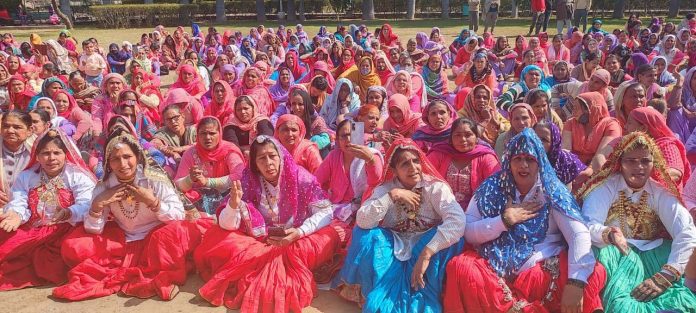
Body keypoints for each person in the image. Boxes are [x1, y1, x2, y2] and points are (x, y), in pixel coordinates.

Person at [443, 128, 606, 313]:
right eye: (518, 159)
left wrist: (575, 282)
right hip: (492, 265)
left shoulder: (551, 189)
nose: (523, 165)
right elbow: (469, 231)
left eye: (530, 159)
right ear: (508, 161)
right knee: (460, 267)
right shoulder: (491, 188)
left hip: (539, 265)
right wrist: (503, 220)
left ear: (540, 163)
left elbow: (578, 232)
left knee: (590, 272)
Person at [193, 136, 349, 312]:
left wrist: (299, 232)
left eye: (272, 156)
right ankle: (275, 264)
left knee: (330, 235)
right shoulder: (247, 180)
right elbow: (227, 225)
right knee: (219, 234)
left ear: (281, 156)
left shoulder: (301, 177)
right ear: (255, 163)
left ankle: (272, 264)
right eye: (261, 158)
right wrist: (233, 204)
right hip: (259, 241)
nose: (268, 163)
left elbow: (326, 212)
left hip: (296, 240)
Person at [52, 130, 211, 301]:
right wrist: (98, 204)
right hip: (123, 240)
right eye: (115, 159)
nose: (123, 164)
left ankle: (158, 268)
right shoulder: (104, 186)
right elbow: (94, 230)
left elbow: (178, 215)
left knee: (177, 233)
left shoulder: (154, 179)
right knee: (74, 245)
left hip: (157, 237)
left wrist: (152, 202)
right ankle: (152, 265)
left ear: (138, 156)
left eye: (127, 156)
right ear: (108, 163)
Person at [334, 138, 466, 312]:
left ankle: (428, 287)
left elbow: (458, 221)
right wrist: (392, 196)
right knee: (364, 234)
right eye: (405, 164)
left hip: (426, 245)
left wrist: (426, 253)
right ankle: (377, 286)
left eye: (416, 161)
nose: (413, 168)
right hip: (395, 244)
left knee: (455, 239)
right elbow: (363, 220)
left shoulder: (434, 188)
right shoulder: (386, 189)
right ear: (394, 170)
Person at [578, 132, 696, 312]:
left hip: (656, 253)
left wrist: (666, 275)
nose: (638, 167)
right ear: (620, 162)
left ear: (653, 163)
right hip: (616, 253)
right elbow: (588, 222)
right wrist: (608, 234)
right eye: (631, 161)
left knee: (679, 300)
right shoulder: (607, 186)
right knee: (618, 298)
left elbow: (686, 231)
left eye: (645, 161)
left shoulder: (659, 191)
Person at [0, 129, 96, 291]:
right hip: (34, 228)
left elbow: (87, 203)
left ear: (65, 154)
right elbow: (19, 201)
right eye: (45, 153)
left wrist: (69, 212)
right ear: (37, 156)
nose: (51, 158)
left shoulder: (77, 175)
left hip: (68, 229)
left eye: (57, 153)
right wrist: (16, 214)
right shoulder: (27, 176)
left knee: (75, 250)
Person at [314, 119, 383, 220]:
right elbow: (316, 180)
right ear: (337, 140)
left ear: (360, 136)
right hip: (334, 209)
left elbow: (376, 182)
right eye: (344, 136)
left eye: (352, 134)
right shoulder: (334, 156)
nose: (349, 139)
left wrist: (370, 160)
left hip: (360, 213)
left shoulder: (371, 155)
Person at [176, 117, 245, 215]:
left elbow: (240, 176)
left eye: (212, 133)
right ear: (197, 135)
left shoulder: (229, 151)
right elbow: (177, 185)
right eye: (203, 133)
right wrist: (190, 179)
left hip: (228, 198)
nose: (207, 137)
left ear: (220, 134)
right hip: (199, 202)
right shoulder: (190, 153)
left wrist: (208, 182)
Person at [428, 117, 500, 208]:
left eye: (468, 135)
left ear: (477, 138)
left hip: (475, 209)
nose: (462, 139)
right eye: (457, 135)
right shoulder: (440, 153)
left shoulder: (485, 156)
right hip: (440, 206)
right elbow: (425, 177)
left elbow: (495, 185)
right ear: (451, 138)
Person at [625, 107, 691, 189]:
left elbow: (675, 173)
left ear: (643, 128)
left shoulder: (667, 145)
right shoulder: (633, 146)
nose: (625, 127)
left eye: (629, 123)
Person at [562, 91, 621, 167]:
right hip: (573, 166)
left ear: (590, 109)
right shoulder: (570, 123)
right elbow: (566, 149)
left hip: (598, 168)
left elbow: (601, 156)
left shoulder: (611, 125)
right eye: (573, 108)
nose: (573, 113)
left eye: (577, 109)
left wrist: (587, 172)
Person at [533, 120, 591, 188]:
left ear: (554, 143)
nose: (537, 142)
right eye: (534, 138)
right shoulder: (523, 159)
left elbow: (587, 172)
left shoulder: (566, 160)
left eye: (544, 140)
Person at [0, 112, 35, 209]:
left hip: (27, 208)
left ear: (30, 130)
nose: (10, 130)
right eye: (6, 126)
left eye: (17, 127)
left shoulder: (38, 152)